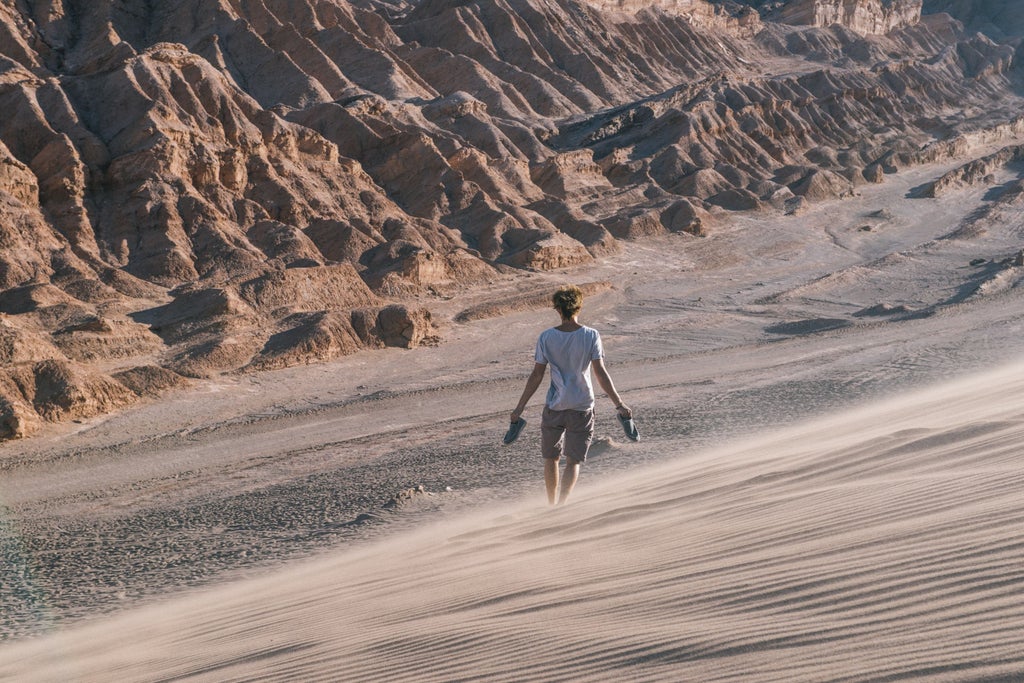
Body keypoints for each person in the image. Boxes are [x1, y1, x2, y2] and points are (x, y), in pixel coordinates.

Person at [510, 285, 632, 505]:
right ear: (579, 307)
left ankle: (551, 504)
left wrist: (519, 408)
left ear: (558, 309)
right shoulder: (591, 335)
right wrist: (619, 404)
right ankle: (562, 505)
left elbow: (536, 375)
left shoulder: (546, 337)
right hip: (582, 406)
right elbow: (601, 373)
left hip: (555, 406)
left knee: (551, 458)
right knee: (573, 461)